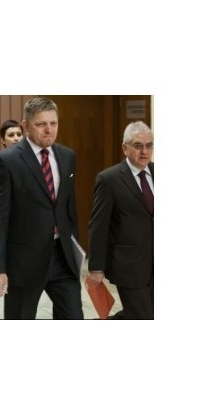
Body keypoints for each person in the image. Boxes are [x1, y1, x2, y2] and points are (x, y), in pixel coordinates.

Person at [0, 97, 83, 319]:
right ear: (25, 126)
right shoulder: (6, 160)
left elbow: (68, 209)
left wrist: (75, 250)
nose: (49, 129)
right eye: (41, 124)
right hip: (24, 263)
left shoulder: (67, 156)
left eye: (53, 123)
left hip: (63, 259)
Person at [87, 120, 154, 319]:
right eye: (138, 146)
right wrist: (96, 266)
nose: (144, 151)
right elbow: (98, 226)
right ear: (125, 148)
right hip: (129, 265)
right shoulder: (109, 179)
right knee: (142, 317)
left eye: (149, 145)